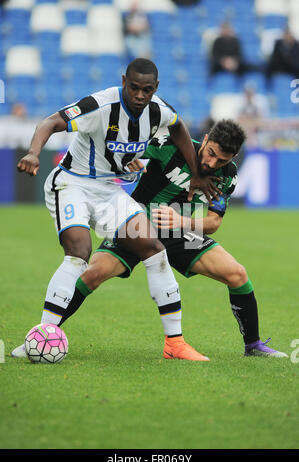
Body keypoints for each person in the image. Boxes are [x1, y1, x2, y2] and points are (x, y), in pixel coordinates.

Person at [12, 58, 220, 360]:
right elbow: (51, 122)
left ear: (155, 89)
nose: (139, 95)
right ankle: (43, 336)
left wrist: (196, 173)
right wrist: (33, 153)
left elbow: (178, 127)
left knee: (153, 247)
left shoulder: (159, 110)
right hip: (73, 185)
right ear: (124, 81)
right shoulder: (99, 105)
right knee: (79, 252)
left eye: (146, 90)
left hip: (110, 192)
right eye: (134, 87)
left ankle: (174, 344)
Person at [31, 120, 288, 360]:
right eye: (211, 153)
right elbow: (127, 149)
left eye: (222, 160)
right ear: (205, 139)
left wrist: (183, 223)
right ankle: (44, 334)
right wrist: (128, 161)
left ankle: (253, 345)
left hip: (179, 229)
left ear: (232, 158)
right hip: (137, 223)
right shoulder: (170, 147)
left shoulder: (228, 174)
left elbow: (214, 222)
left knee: (237, 274)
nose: (212, 163)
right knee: (92, 274)